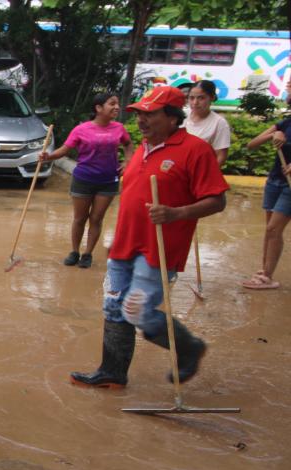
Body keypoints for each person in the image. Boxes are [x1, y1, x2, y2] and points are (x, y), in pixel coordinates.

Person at [70, 85, 227, 389]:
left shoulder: (195, 150)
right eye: (139, 114)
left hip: (160, 247)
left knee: (137, 309)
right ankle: (112, 371)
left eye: (149, 114)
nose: (141, 120)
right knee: (114, 305)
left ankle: (189, 346)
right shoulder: (142, 148)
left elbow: (217, 201)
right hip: (125, 243)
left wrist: (176, 213)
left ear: (172, 118)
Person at [40, 93, 134, 269]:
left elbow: (128, 144)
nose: (116, 107)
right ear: (98, 108)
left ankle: (87, 254)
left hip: (108, 180)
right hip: (83, 178)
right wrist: (48, 156)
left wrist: (128, 162)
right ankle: (74, 251)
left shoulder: (119, 128)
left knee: (97, 218)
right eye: (112, 104)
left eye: (117, 104)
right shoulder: (81, 129)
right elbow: (65, 149)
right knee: (79, 218)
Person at [240, 77, 291, 290]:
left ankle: (267, 276)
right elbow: (251, 144)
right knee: (271, 231)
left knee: (273, 228)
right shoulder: (285, 123)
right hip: (274, 180)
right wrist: (275, 134)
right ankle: (264, 271)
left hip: (289, 185)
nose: (288, 92)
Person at [184, 80, 232, 166]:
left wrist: (208, 175)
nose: (195, 103)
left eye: (201, 98)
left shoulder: (219, 123)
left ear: (212, 98)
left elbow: (221, 155)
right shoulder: (181, 116)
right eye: (191, 98)